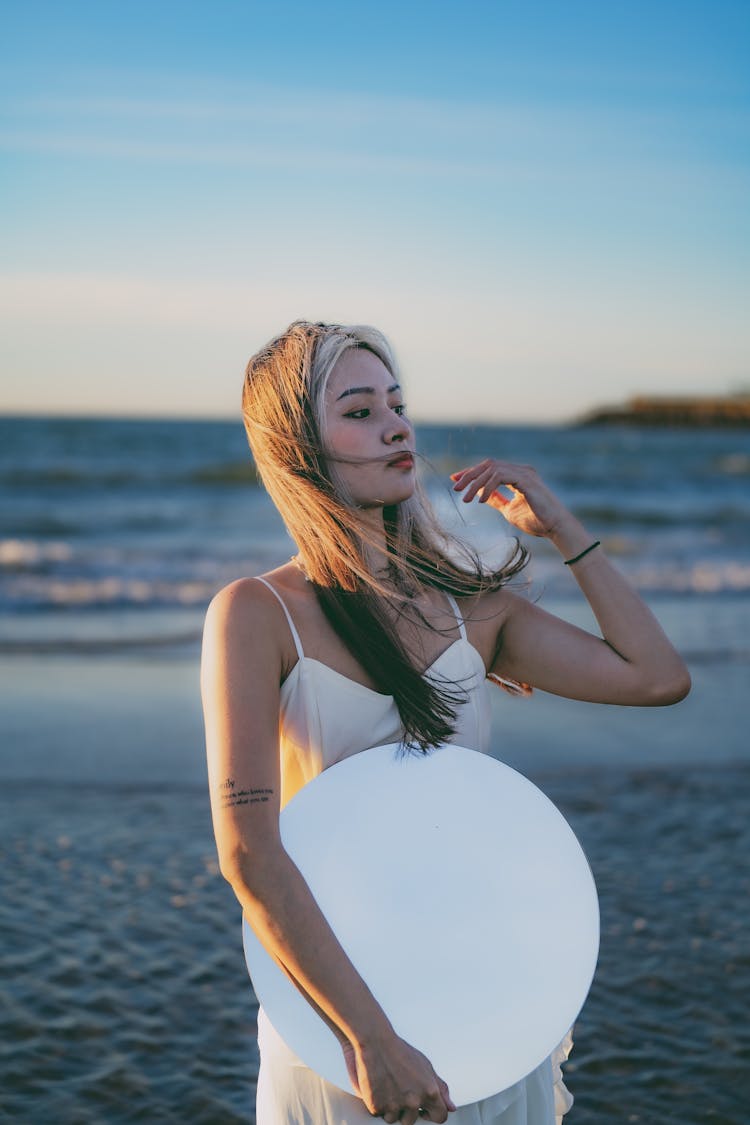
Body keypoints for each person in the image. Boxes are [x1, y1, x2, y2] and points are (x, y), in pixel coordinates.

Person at [200, 321, 691, 1125]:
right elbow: (247, 851)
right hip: (339, 1029)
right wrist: (369, 1040)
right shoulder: (256, 614)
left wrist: (564, 528)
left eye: (397, 403)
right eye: (359, 410)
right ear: (298, 448)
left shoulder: (475, 610)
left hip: (480, 1003)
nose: (396, 424)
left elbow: (658, 677)